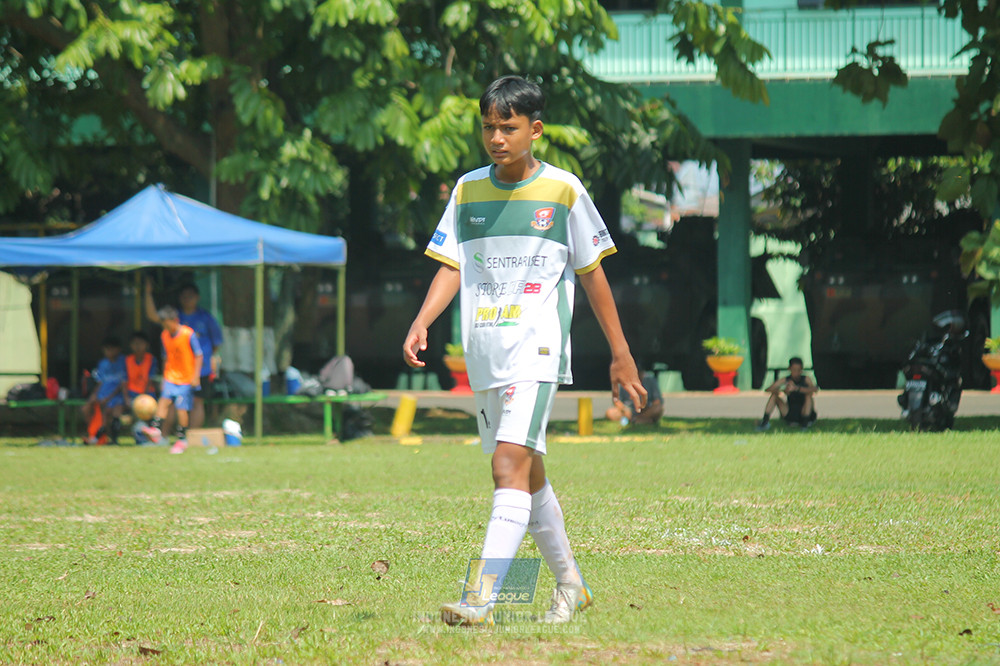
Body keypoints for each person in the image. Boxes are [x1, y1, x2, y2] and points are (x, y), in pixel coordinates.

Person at [402, 75, 647, 627]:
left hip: (536, 349)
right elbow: (452, 264)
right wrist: (421, 320)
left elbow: (593, 274)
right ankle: (571, 587)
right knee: (528, 475)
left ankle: (481, 599)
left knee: (506, 464)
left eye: (507, 127)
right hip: (484, 352)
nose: (496, 137)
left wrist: (620, 353)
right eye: (488, 126)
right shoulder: (467, 190)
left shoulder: (564, 190)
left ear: (534, 130)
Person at [145, 279, 222, 428]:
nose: (187, 299)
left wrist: (201, 362)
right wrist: (147, 294)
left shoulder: (205, 317)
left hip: (200, 370)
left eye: (191, 296)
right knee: (171, 402)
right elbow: (154, 316)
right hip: (176, 372)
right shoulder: (174, 317)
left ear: (197, 297)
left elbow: (216, 343)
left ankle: (191, 437)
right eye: (184, 296)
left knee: (197, 402)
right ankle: (163, 435)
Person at [143, 306, 203, 454]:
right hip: (171, 376)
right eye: (163, 324)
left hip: (185, 378)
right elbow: (166, 357)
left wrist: (196, 376)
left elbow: (199, 355)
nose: (165, 327)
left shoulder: (188, 334)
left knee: (181, 409)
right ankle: (155, 429)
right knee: (163, 400)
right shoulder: (164, 335)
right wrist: (165, 376)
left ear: (175, 321)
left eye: (167, 323)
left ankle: (182, 439)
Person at [82, 336, 128, 445]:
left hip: (116, 397)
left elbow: (122, 384)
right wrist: (94, 395)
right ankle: (94, 434)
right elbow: (100, 382)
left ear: (118, 349)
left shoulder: (123, 362)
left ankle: (112, 440)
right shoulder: (103, 364)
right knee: (86, 409)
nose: (109, 352)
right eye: (106, 349)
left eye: (111, 349)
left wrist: (108, 398)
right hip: (103, 396)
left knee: (111, 412)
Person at [756, 357, 818, 431]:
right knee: (774, 396)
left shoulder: (806, 379)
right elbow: (768, 389)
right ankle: (765, 422)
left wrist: (797, 389)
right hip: (791, 412)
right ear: (789, 369)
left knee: (808, 396)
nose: (796, 372)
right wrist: (783, 391)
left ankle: (805, 424)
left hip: (804, 411)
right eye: (794, 370)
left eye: (799, 370)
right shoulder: (786, 380)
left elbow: (814, 389)